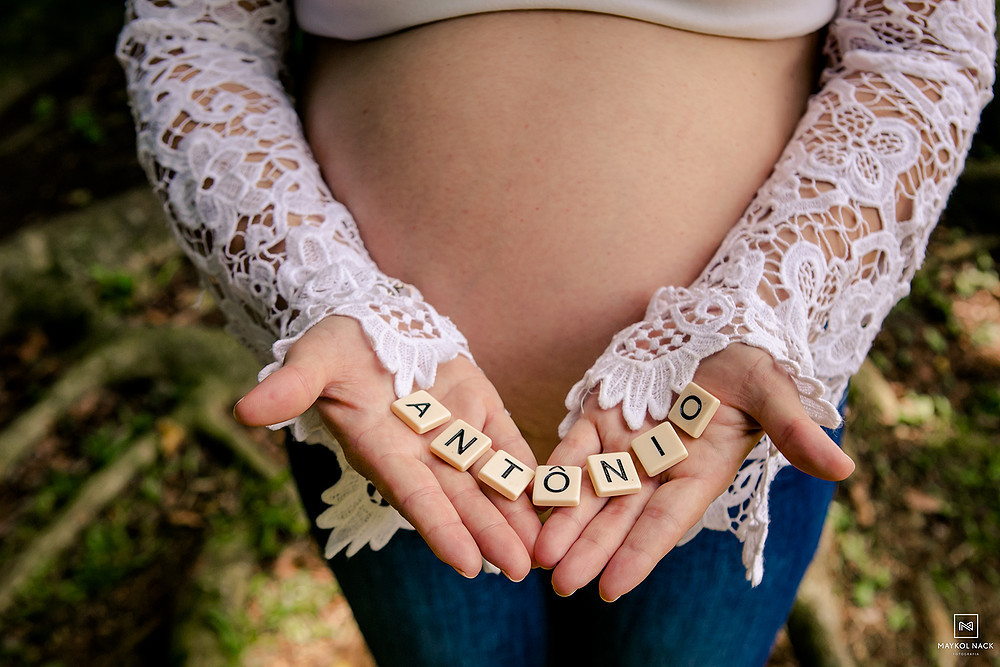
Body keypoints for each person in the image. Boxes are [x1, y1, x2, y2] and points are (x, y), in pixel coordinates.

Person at [118, 1, 995, 664]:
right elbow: (191, 29)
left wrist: (766, 307)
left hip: (729, 431)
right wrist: (318, 288)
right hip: (383, 428)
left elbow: (921, 51)